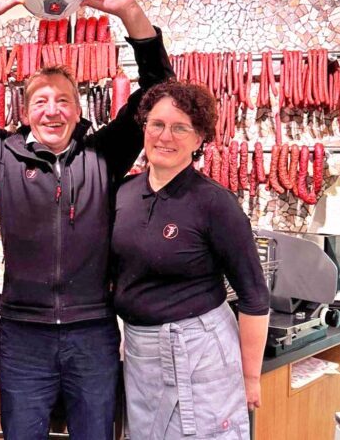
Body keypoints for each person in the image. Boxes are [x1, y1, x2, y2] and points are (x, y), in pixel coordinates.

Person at [0, 0, 174, 439]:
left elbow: (160, 92)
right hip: (24, 335)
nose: (52, 110)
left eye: (63, 100)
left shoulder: (103, 155)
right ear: (26, 113)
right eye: (40, 101)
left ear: (79, 110)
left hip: (92, 332)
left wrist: (131, 13)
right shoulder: (3, 156)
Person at [112, 81, 270, 439]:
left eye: (180, 128)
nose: (165, 136)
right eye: (157, 124)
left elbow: (254, 296)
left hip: (199, 351)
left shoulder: (215, 203)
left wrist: (250, 377)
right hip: (139, 351)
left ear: (199, 138)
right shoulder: (123, 193)